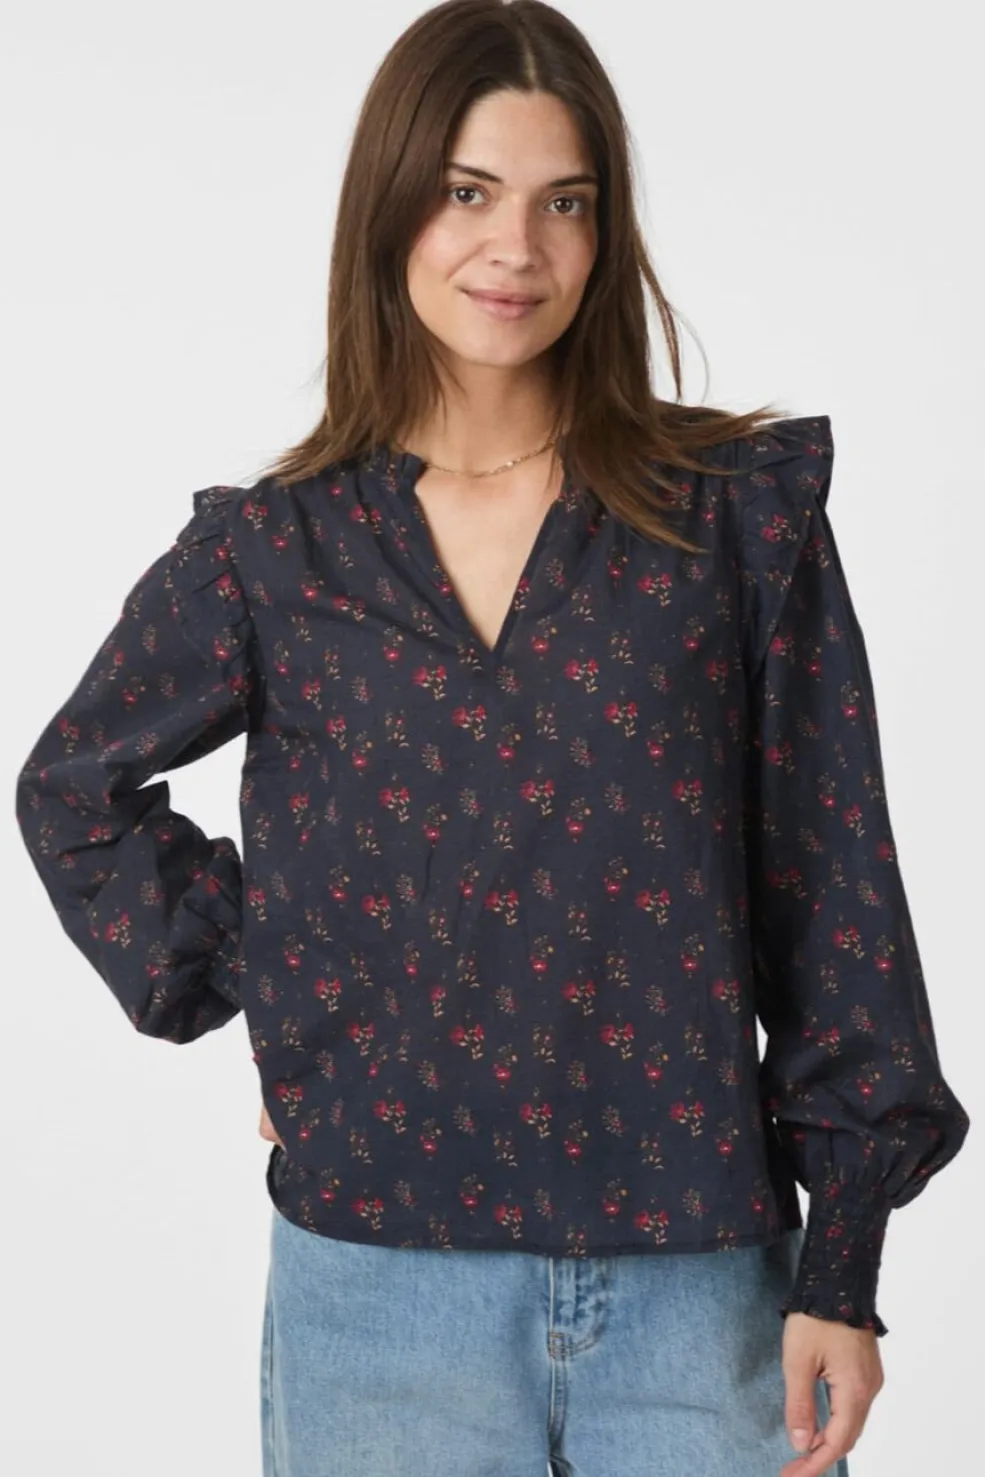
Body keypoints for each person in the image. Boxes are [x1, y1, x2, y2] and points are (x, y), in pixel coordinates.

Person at [15, 2, 970, 1475]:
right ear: (391, 206)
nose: (514, 247)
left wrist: (843, 1266)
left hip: (701, 1288)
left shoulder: (729, 518)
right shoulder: (278, 550)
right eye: (468, 191)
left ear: (605, 231)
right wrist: (281, 975)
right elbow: (75, 789)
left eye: (562, 202)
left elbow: (835, 891)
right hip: (378, 1293)